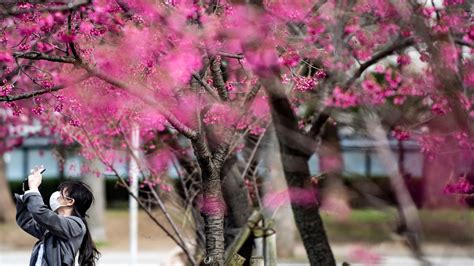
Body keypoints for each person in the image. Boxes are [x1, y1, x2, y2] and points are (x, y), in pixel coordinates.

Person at [14, 166, 101, 266]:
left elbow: (41, 213)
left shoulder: (76, 225)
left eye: (61, 193)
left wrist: (34, 189)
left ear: (70, 201)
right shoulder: (53, 226)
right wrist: (27, 193)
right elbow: (26, 222)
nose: (56, 195)